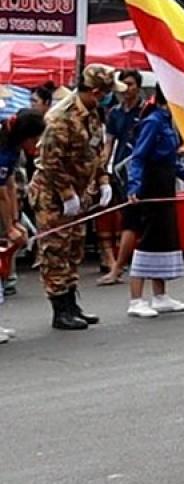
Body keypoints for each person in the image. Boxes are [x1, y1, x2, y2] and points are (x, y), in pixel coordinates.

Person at [29, 65, 117, 331]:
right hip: (52, 195)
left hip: (79, 193)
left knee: (74, 247)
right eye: (103, 94)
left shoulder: (92, 115)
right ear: (94, 91)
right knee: (55, 250)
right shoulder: (61, 117)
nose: (105, 99)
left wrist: (103, 181)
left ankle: (72, 303)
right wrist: (67, 194)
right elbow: (49, 161)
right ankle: (60, 309)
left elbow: (95, 151)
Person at [123, 90, 184, 319]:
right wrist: (134, 186)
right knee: (147, 241)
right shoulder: (153, 122)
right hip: (150, 188)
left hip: (165, 186)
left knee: (163, 240)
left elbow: (174, 163)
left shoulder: (167, 121)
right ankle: (136, 299)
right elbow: (138, 156)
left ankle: (160, 295)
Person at [0, 109, 47, 342]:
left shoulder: (12, 148)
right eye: (35, 137)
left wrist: (16, 221)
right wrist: (9, 228)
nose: (36, 143)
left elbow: (9, 186)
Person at [98, 68, 145, 286]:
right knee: (119, 217)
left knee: (133, 220)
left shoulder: (145, 112)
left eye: (131, 84)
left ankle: (122, 266)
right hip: (119, 171)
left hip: (141, 172)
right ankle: (114, 263)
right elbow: (108, 143)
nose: (127, 89)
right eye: (123, 85)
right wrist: (102, 170)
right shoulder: (114, 113)